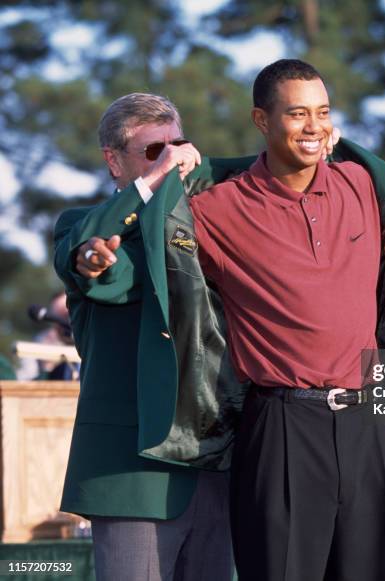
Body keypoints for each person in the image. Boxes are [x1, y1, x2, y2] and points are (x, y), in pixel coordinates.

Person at [58, 60, 385, 581]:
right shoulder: (214, 208)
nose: (313, 125)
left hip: (368, 422)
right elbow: (141, 271)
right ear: (262, 122)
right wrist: (98, 258)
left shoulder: (361, 184)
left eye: (323, 112)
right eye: (296, 114)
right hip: (281, 425)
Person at [54, 91, 337, 581]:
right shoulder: (84, 225)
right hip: (133, 473)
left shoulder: (213, 223)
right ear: (114, 162)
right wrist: (153, 182)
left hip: (216, 467)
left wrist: (307, 145)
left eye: (178, 146)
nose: (172, 159)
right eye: (152, 151)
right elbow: (94, 263)